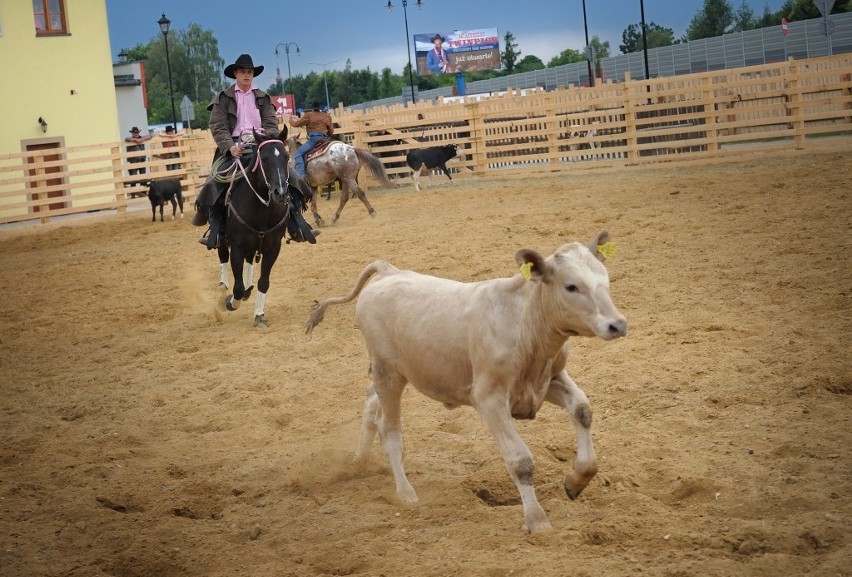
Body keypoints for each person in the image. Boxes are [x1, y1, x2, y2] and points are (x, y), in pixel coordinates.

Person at [192, 53, 317, 249]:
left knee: (292, 178)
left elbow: (270, 122)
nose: (247, 75)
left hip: (262, 145)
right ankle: (216, 229)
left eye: (249, 72)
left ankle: (296, 224)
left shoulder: (263, 97)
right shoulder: (224, 98)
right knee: (214, 183)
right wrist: (229, 146)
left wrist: (266, 139)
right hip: (234, 147)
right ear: (235, 74)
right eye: (243, 71)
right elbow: (218, 125)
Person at [288, 101, 334, 178]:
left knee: (298, 154)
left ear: (312, 108)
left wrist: (291, 121)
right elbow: (331, 131)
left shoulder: (308, 115)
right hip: (325, 139)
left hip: (314, 139)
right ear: (320, 108)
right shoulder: (327, 116)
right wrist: (328, 137)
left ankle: (301, 176)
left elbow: (296, 124)